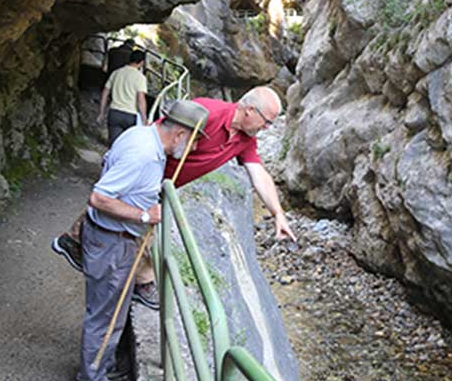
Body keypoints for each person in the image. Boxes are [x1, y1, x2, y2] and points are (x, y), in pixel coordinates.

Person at [52, 86, 296, 309]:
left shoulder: (245, 139)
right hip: (149, 174)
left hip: (165, 183)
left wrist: (278, 214)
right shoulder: (208, 112)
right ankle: (139, 282)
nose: (267, 128)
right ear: (250, 110)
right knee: (135, 218)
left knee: (130, 219)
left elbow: (258, 172)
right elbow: (161, 133)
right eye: (267, 122)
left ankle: (76, 241)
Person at [73, 100, 209, 381]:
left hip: (111, 239)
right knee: (105, 316)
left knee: (112, 313)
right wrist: (145, 216)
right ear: (180, 134)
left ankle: (101, 369)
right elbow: (100, 197)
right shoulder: (144, 155)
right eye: (196, 139)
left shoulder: (141, 134)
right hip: (111, 242)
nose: (196, 147)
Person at [99, 50, 148, 148]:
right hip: (130, 116)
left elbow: (105, 92)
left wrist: (101, 112)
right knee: (125, 148)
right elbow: (140, 100)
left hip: (114, 113)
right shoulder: (140, 77)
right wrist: (144, 118)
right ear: (141, 62)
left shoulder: (116, 72)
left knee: (113, 146)